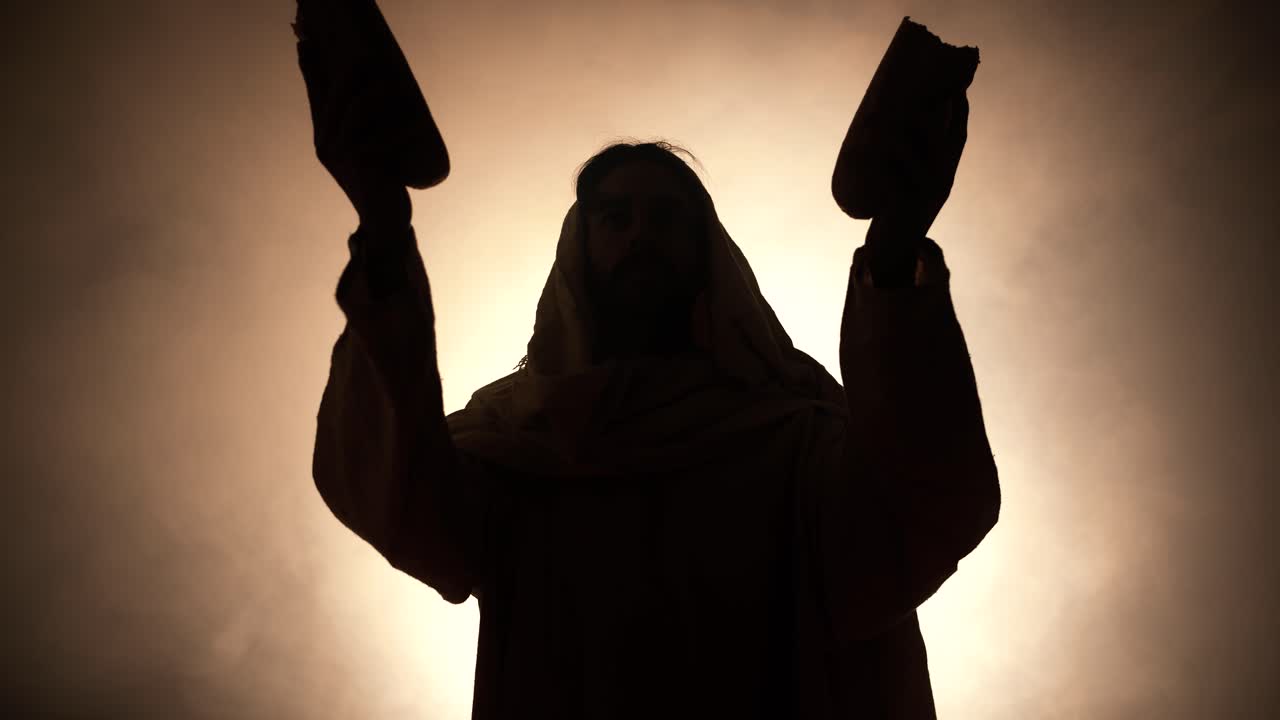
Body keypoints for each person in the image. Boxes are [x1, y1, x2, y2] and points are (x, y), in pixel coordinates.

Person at [302, 21, 999, 720]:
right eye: (616, 218)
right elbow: (403, 500)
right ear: (580, 251)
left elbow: (909, 519)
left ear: (705, 252)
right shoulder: (517, 441)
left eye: (667, 219)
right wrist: (384, 225)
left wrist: (895, 248)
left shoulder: (795, 430)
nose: (641, 235)